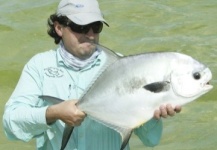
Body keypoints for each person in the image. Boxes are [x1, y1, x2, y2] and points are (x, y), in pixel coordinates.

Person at [3, 0, 181, 149]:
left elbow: (152, 140)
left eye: (96, 27)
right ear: (58, 28)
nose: (90, 34)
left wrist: (153, 112)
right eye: (80, 26)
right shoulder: (39, 66)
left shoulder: (124, 66)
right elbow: (11, 124)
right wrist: (53, 113)